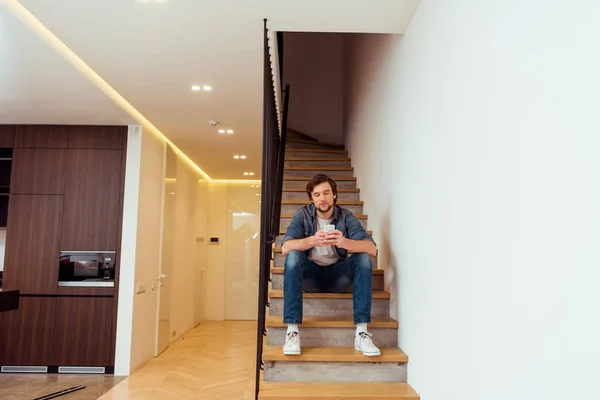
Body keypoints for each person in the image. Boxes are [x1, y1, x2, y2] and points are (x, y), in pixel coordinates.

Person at [280, 174, 380, 356]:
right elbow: (286, 247)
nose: (322, 198)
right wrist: (311, 241)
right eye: (317, 194)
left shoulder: (346, 216)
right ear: (311, 198)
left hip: (338, 277)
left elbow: (372, 248)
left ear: (334, 195)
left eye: (326, 193)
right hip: (310, 277)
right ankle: (292, 330)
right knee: (294, 255)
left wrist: (344, 243)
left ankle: (362, 332)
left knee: (363, 257)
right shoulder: (302, 215)